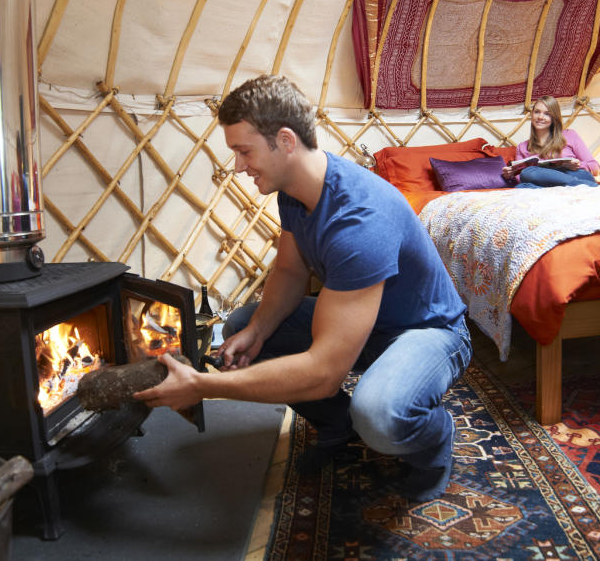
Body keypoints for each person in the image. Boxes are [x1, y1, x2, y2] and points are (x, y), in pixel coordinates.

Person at [133, 74, 472, 501]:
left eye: (244, 150)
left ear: (286, 141)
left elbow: (323, 374)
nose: (237, 165)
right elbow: (291, 272)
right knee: (245, 323)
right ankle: (337, 426)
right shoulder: (294, 192)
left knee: (380, 413)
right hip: (370, 324)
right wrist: (256, 332)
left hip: (427, 330)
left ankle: (435, 440)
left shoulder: (359, 221)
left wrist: (203, 386)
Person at [503, 95, 600, 188]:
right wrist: (512, 174)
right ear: (532, 114)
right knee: (525, 177)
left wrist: (577, 165)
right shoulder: (522, 147)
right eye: (537, 112)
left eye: (547, 114)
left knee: (526, 180)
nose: (540, 117)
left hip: (574, 174)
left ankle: (575, 184)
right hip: (546, 183)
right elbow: (522, 178)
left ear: (554, 118)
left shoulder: (569, 135)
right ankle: (579, 186)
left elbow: (595, 168)